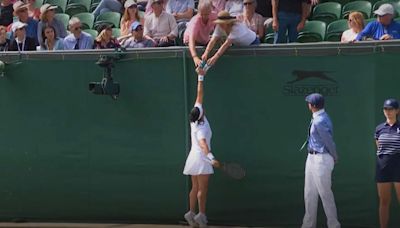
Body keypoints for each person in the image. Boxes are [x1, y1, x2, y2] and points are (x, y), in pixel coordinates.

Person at [183, 66, 220, 228]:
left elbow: (199, 95)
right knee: (202, 191)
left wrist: (200, 77)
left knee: (195, 188)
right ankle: (201, 216)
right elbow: (204, 144)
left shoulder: (195, 116)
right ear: (200, 115)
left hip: (192, 157)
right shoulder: (202, 128)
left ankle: (190, 213)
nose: (200, 107)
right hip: (202, 158)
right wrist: (212, 159)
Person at [301, 93, 340, 228]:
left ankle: (334, 225)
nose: (308, 105)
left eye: (309, 103)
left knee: (325, 194)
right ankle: (308, 225)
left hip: (322, 159)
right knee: (309, 192)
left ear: (312, 106)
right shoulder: (318, 117)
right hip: (311, 157)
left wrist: (334, 156)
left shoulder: (319, 120)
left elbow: (328, 140)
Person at [374, 98, 400, 228]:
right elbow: (379, 147)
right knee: (384, 201)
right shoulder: (379, 129)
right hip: (383, 168)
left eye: (391, 109)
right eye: (386, 109)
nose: (388, 112)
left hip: (398, 167)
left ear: (397, 111)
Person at [184, 0, 217, 67]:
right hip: (191, 41)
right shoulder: (195, 21)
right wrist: (195, 57)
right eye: (202, 14)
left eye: (207, 14)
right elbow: (191, 40)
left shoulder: (214, 16)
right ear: (199, 12)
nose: (204, 16)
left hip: (204, 39)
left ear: (210, 12)